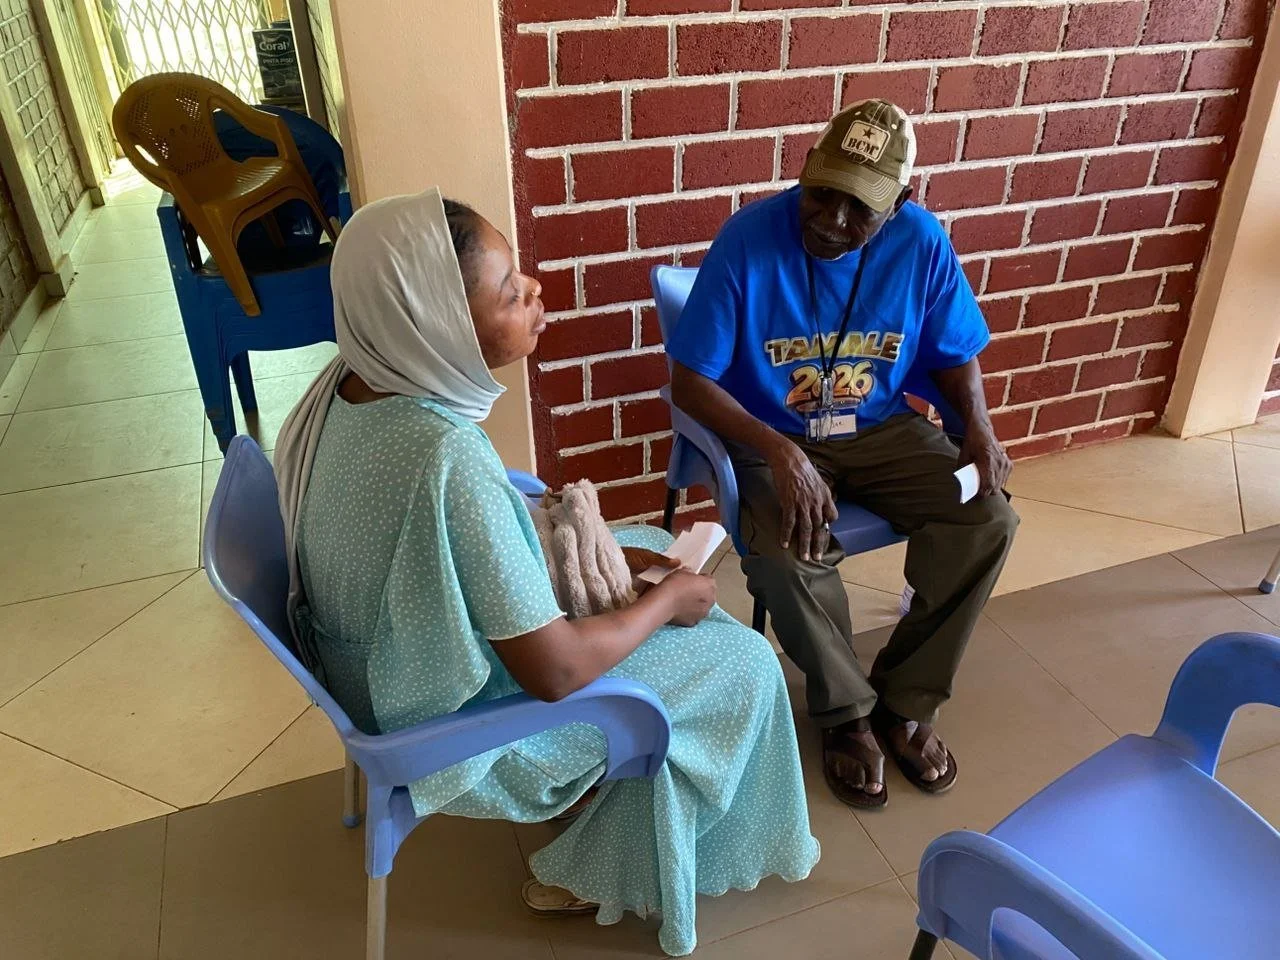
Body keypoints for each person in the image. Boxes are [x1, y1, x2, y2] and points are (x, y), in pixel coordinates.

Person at [273, 188, 820, 957]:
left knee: (621, 536)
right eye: (509, 291)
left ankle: (614, 796)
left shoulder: (344, 387)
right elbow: (557, 672)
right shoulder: (444, 455)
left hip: (371, 663)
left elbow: (450, 540)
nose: (536, 293)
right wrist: (668, 602)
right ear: (432, 320)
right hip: (435, 722)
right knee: (743, 662)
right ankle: (599, 869)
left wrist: (588, 553)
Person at [666, 99, 1019, 810]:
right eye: (821, 192)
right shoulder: (748, 239)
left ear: (903, 201)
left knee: (987, 520)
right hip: (773, 431)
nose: (829, 218)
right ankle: (847, 713)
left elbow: (956, 353)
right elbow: (691, 383)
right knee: (786, 551)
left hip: (880, 426)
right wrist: (777, 450)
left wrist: (977, 425)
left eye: (859, 208)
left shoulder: (921, 242)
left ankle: (905, 697)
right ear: (805, 170)